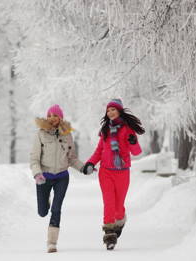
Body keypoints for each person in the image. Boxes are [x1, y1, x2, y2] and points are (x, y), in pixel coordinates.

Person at [83, 99, 145, 250]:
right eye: (108, 110)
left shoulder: (127, 129)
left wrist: (133, 141)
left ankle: (120, 220)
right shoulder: (105, 130)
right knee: (109, 203)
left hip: (122, 172)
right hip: (105, 172)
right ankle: (109, 235)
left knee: (118, 207)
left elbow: (136, 152)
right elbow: (99, 151)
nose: (110, 112)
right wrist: (90, 163)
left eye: (113, 110)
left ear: (119, 111)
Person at [30, 104, 86, 253]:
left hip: (62, 176)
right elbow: (34, 158)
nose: (52, 118)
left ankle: (52, 242)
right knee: (42, 212)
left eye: (55, 115)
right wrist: (37, 174)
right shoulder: (40, 134)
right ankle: (45, 199)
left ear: (60, 118)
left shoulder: (67, 134)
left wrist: (83, 167)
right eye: (49, 115)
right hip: (44, 177)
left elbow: (72, 158)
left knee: (56, 209)